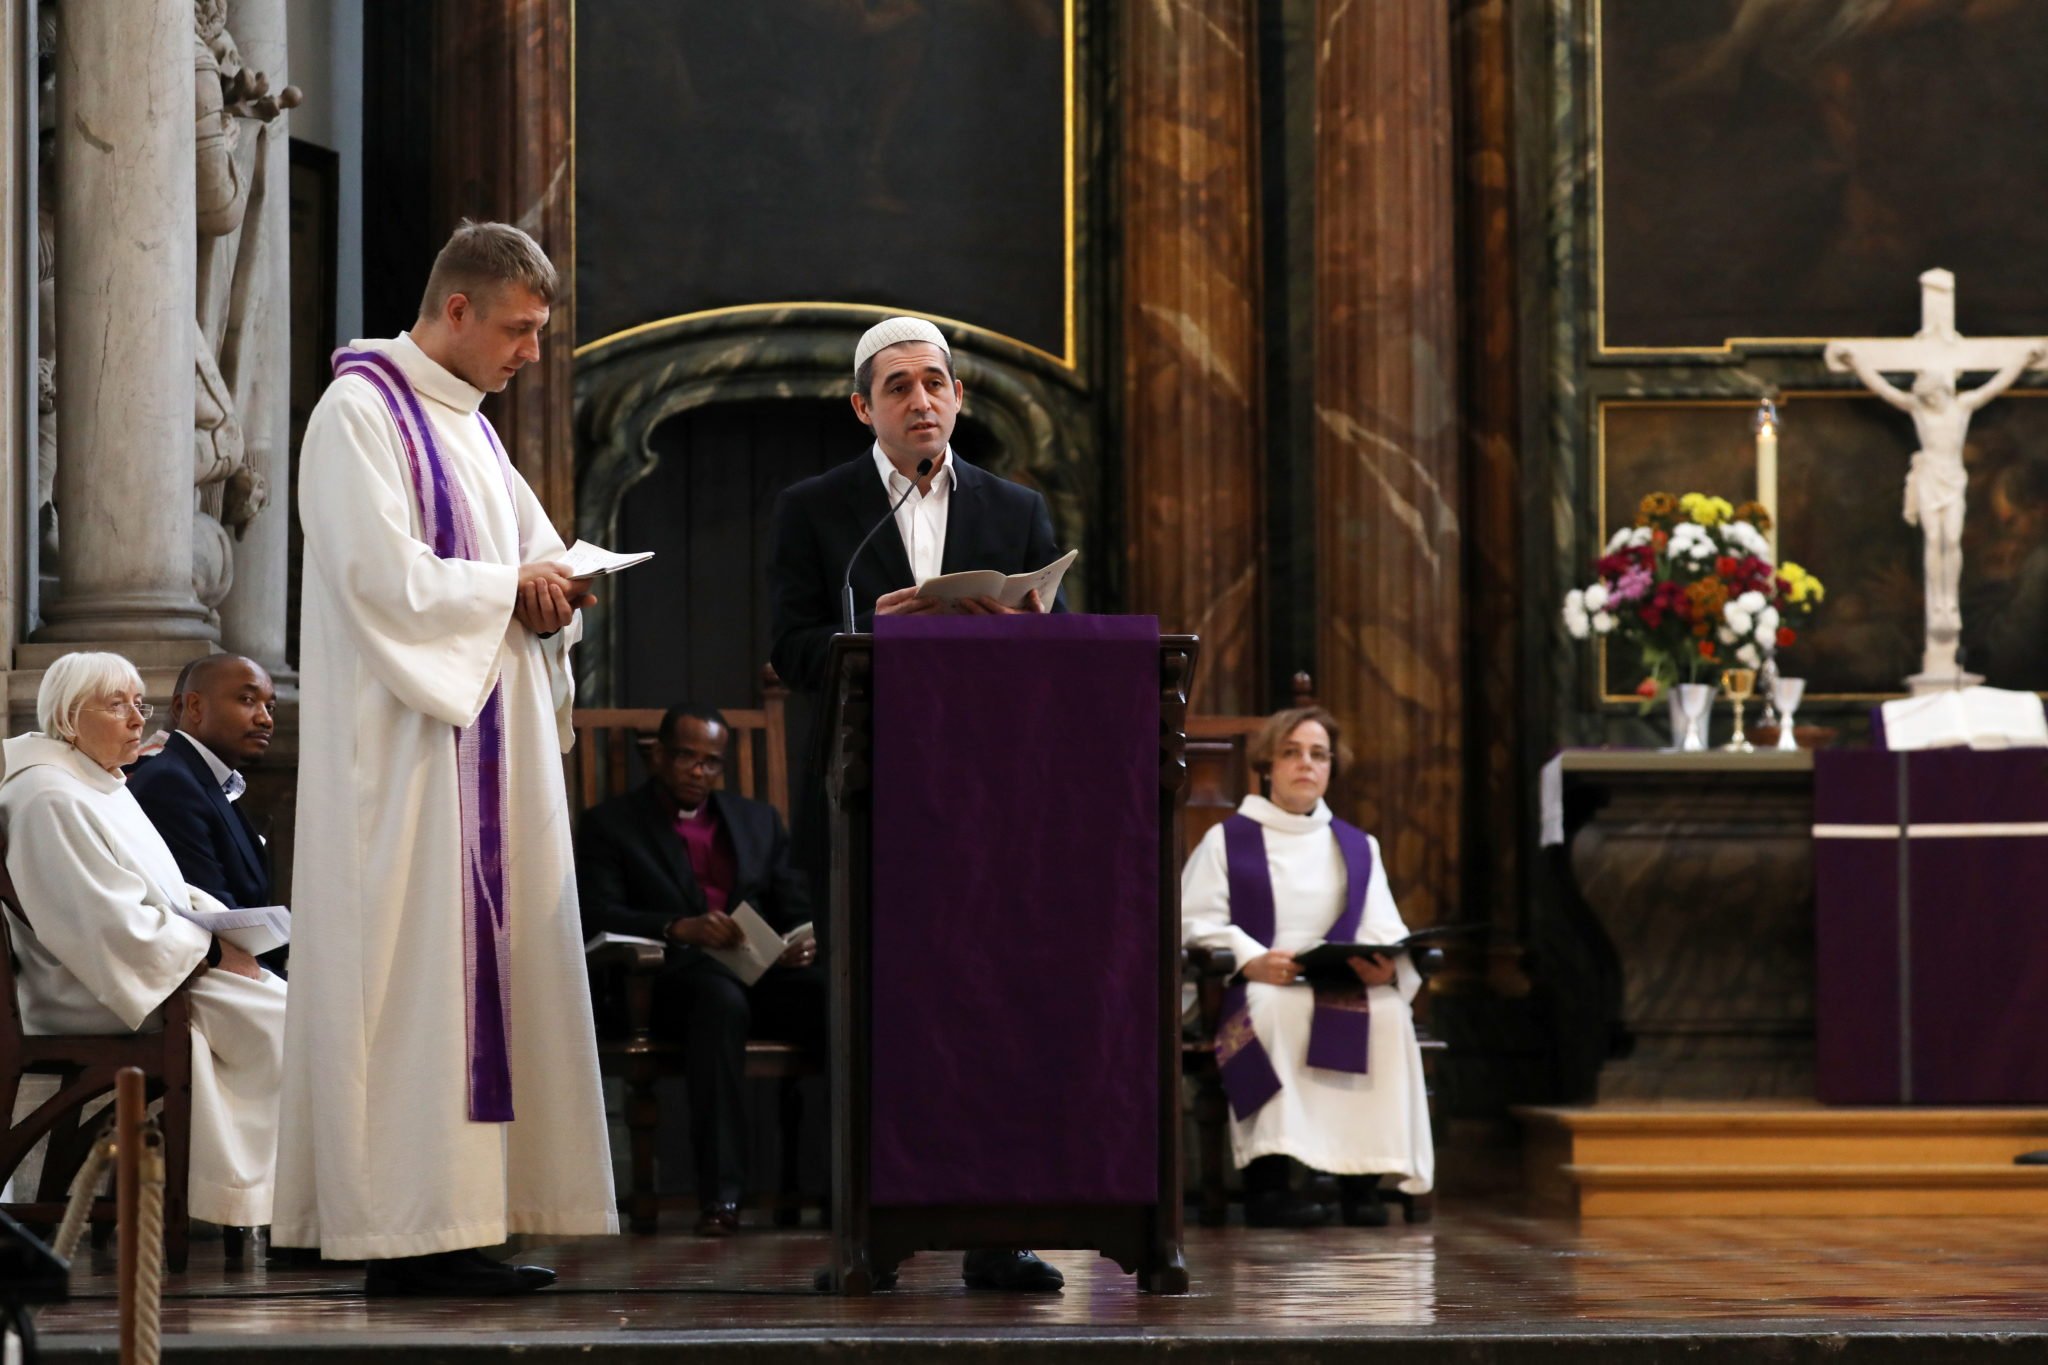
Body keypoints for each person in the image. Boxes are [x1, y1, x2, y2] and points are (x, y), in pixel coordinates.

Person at [273, 221, 615, 1297]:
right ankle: (402, 1230)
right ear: (456, 309)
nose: (528, 353)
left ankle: (469, 1220)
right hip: (406, 758)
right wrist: (506, 591)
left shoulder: (470, 428)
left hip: (485, 741)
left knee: (488, 981)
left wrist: (556, 592)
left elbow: (528, 554)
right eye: (516, 330)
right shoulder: (358, 413)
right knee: (411, 983)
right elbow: (378, 575)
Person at [765, 316, 1066, 1293]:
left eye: (934, 383)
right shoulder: (818, 511)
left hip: (989, 805)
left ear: (959, 399)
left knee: (994, 1012)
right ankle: (865, 1236)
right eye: (896, 387)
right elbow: (788, 645)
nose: (920, 400)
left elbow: (1058, 647)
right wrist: (866, 632)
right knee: (871, 1020)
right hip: (868, 793)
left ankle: (997, 1229)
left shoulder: (1015, 509)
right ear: (863, 408)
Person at [0, 652, 286, 1230]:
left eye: (138, 703)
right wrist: (210, 951)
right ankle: (267, 1205)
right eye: (116, 705)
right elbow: (104, 923)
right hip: (89, 986)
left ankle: (283, 1199)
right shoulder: (49, 797)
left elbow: (166, 892)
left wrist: (223, 935)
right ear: (67, 718)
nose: (137, 720)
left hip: (143, 969)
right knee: (291, 1027)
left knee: (296, 1013)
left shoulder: (97, 782)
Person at [1180, 706, 1434, 1228]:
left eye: (1318, 755)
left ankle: (1361, 1183)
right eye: (1291, 752)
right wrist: (1250, 959)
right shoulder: (1228, 840)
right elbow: (1194, 921)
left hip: (1336, 978)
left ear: (1331, 768)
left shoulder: (1358, 845)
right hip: (1262, 980)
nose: (1306, 764)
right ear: (1267, 765)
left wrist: (1384, 967)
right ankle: (1270, 1184)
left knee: (1387, 1013)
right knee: (1272, 1010)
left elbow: (1384, 926)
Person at [576, 705, 822, 1236]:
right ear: (658, 756)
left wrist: (804, 940)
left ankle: (853, 1191)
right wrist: (678, 926)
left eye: (711, 762)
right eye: (686, 756)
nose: (698, 771)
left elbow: (794, 904)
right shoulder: (611, 826)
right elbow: (594, 913)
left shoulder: (757, 821)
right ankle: (722, 1200)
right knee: (719, 1000)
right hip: (670, 983)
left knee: (835, 998)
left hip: (762, 975)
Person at [127, 655, 277, 915]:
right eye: (248, 700)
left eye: (270, 707)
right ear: (194, 706)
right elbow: (214, 918)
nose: (266, 719)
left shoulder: (206, 779)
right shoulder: (169, 784)